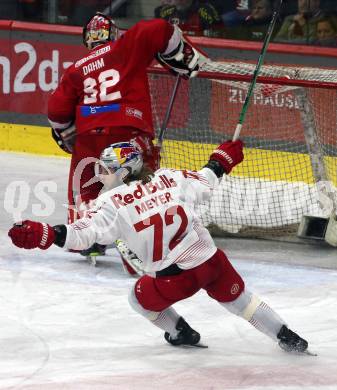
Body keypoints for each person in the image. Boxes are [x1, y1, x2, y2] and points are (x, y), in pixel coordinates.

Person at [8, 139, 309, 353]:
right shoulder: (170, 177)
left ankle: (181, 332)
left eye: (108, 169)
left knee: (137, 299)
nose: (102, 175)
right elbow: (206, 180)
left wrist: (47, 232)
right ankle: (288, 336)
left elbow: (84, 235)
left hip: (174, 279)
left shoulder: (110, 202)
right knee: (242, 300)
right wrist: (220, 161)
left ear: (124, 171)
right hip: (212, 263)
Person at [47, 13, 203, 267]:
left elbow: (56, 110)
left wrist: (65, 132)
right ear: (114, 33)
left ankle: (89, 240)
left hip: (88, 136)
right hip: (128, 132)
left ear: (87, 39)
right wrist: (178, 52)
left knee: (87, 188)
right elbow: (158, 28)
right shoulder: (124, 46)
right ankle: (143, 238)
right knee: (139, 186)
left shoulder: (75, 68)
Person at [155, 0, 224, 37]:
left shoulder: (206, 11)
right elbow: (157, 34)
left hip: (201, 50)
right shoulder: (165, 12)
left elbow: (220, 34)